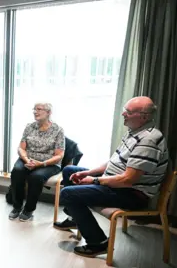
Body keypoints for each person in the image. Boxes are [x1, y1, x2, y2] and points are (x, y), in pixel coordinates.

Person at [54, 96, 169, 258]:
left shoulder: (148, 141)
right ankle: (75, 218)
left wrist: (95, 180)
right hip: (117, 183)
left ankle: (98, 242)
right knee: (70, 171)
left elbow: (128, 180)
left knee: (68, 194)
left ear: (143, 116)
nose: (123, 114)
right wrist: (88, 173)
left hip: (132, 193)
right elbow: (113, 161)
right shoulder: (135, 133)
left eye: (128, 112)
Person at [8, 103, 65, 221]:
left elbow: (59, 155)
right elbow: (21, 148)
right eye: (34, 109)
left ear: (49, 112)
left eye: (39, 109)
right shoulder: (29, 127)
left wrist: (41, 164)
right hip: (28, 159)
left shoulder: (58, 130)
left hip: (48, 163)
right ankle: (17, 207)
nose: (35, 111)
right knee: (17, 171)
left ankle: (29, 210)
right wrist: (27, 160)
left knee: (36, 177)